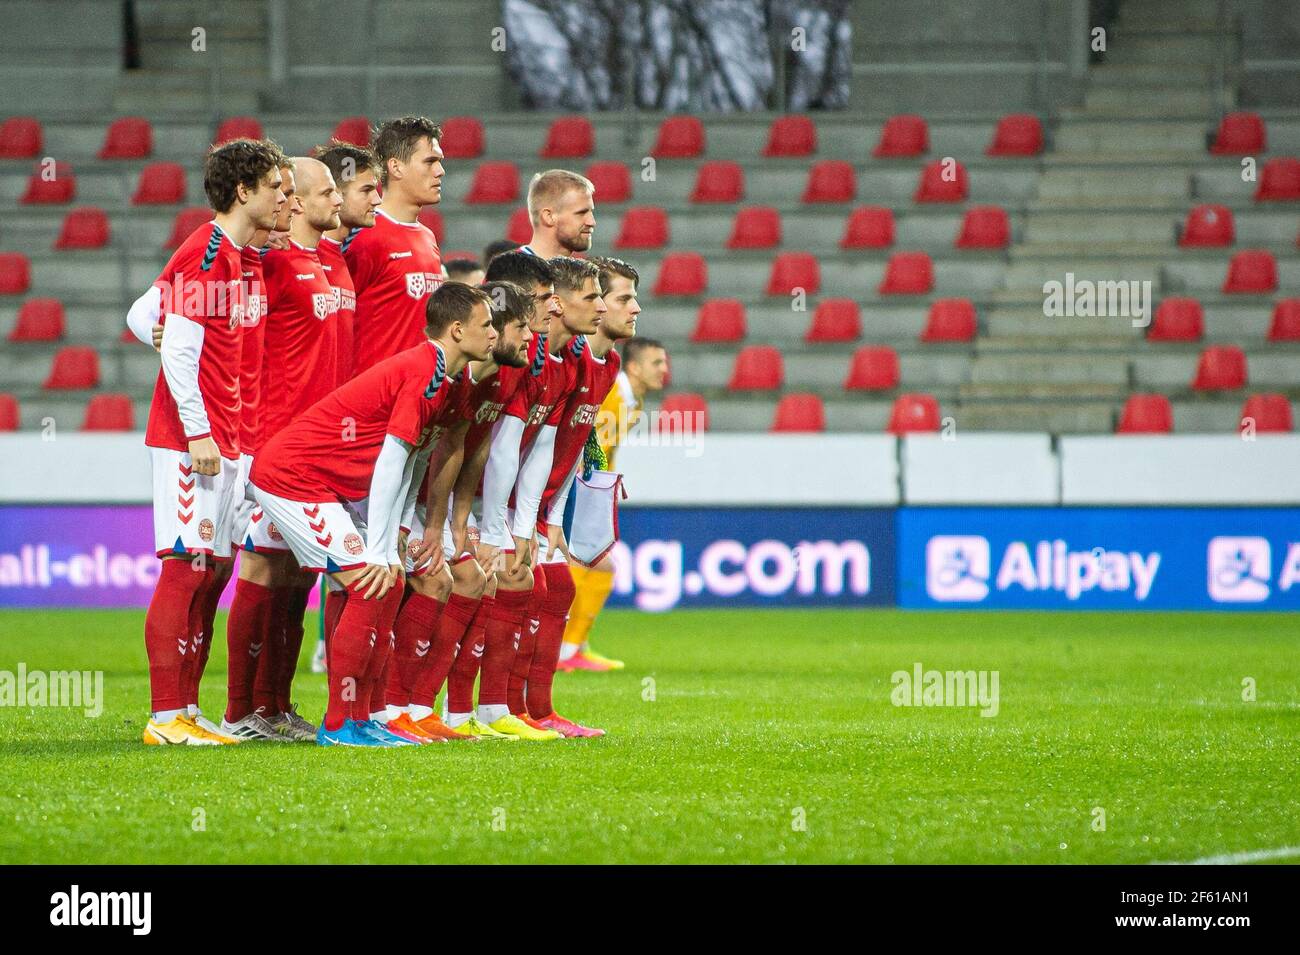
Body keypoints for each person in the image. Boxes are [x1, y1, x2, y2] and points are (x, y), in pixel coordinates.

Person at [248, 282, 497, 746]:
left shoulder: (453, 380)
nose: (495, 334)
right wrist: (380, 550)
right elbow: (389, 462)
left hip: (325, 487)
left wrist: (399, 531)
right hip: (292, 477)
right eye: (487, 325)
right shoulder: (423, 370)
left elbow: (416, 459)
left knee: (389, 583)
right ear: (458, 330)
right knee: (370, 581)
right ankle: (340, 724)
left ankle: (365, 718)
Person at [141, 139, 285, 746]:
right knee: (185, 569)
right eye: (276, 186)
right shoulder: (207, 254)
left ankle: (189, 711)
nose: (286, 197)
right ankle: (165, 715)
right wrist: (198, 430)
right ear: (243, 191)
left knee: (211, 572)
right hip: (191, 441)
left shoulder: (242, 258)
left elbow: (146, 315)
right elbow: (177, 347)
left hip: (232, 440)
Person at [560, 335, 669, 672]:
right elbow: (585, 438)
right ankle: (563, 649)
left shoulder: (631, 399)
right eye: (657, 363)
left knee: (594, 564)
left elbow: (606, 447)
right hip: (578, 485)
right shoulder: (617, 394)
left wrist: (608, 487)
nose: (665, 370)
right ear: (634, 367)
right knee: (587, 564)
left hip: (591, 485)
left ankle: (570, 647)